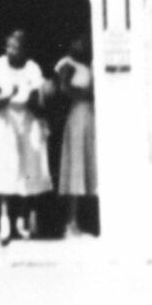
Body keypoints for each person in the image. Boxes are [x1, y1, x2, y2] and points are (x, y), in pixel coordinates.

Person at [0, 29, 51, 242]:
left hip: (27, 120)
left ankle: (22, 220)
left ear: (24, 50)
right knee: (6, 168)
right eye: (8, 46)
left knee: (28, 169)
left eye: (16, 47)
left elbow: (40, 102)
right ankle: (4, 220)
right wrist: (8, 96)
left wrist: (33, 96)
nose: (11, 50)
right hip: (4, 120)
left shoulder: (32, 68)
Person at [53, 35, 97, 235]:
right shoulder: (66, 64)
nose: (81, 44)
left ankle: (86, 221)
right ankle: (71, 222)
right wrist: (86, 95)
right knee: (76, 167)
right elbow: (63, 89)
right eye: (77, 40)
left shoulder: (88, 64)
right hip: (77, 115)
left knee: (89, 166)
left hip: (90, 116)